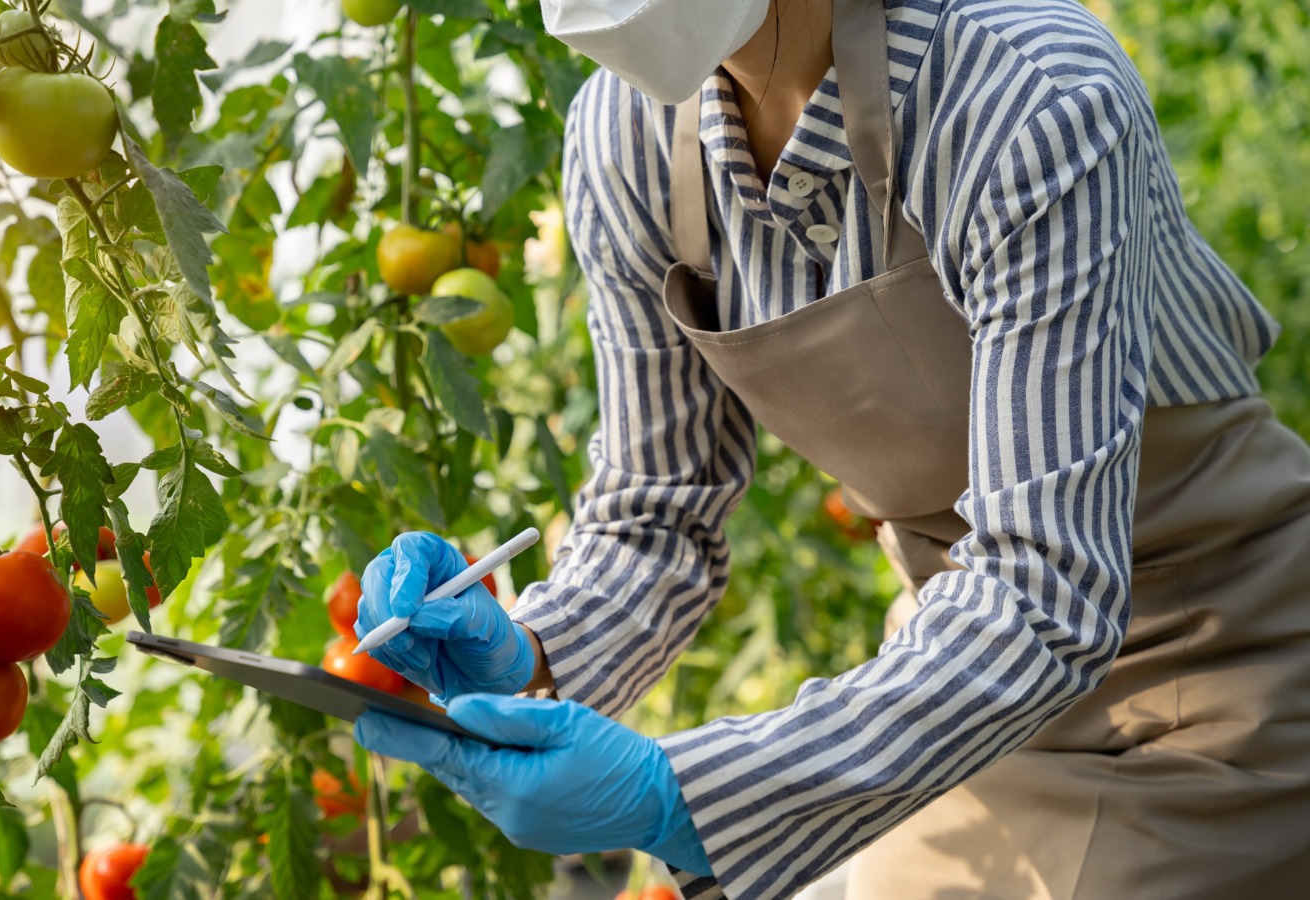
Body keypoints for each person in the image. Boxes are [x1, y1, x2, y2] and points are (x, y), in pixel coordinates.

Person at [351, 0, 1310, 897]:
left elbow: (1048, 588)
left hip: (1219, 660)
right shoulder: (627, 138)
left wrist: (682, 793)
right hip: (951, 692)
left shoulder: (1028, 95)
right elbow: (659, 511)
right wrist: (532, 655)